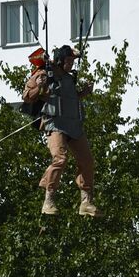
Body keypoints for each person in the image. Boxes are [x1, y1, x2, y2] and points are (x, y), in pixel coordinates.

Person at [31, 44, 99, 217]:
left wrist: (83, 93)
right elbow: (27, 95)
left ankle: (86, 201)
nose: (71, 64)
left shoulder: (69, 78)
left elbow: (69, 98)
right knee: (60, 159)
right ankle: (49, 199)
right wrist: (40, 86)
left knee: (87, 160)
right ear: (60, 60)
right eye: (68, 60)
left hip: (74, 125)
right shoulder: (45, 74)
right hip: (56, 124)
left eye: (72, 61)